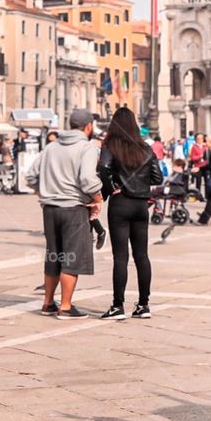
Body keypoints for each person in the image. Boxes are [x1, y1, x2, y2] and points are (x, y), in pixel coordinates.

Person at [25, 109, 102, 319]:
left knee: (54, 255)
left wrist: (44, 193)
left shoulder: (51, 147)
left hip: (50, 209)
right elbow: (87, 179)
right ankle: (66, 306)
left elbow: (31, 175)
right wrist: (97, 199)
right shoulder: (87, 148)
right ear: (88, 126)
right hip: (74, 208)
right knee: (72, 256)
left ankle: (48, 303)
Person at [97, 108, 162, 319]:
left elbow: (103, 168)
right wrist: (141, 184)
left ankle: (118, 306)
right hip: (141, 205)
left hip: (120, 203)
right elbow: (157, 177)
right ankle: (144, 305)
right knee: (142, 255)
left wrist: (112, 186)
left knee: (120, 257)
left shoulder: (110, 146)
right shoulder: (145, 148)